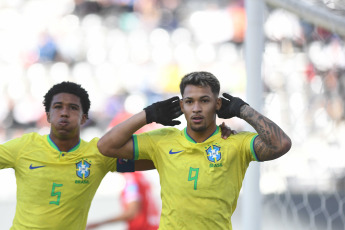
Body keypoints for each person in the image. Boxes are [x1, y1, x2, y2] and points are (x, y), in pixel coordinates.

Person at [98, 71, 292, 229]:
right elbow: (105, 146)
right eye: (190, 101)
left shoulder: (235, 143)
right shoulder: (163, 141)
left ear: (218, 104)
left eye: (205, 101)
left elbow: (281, 144)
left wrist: (242, 109)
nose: (196, 108)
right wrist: (148, 115)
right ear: (182, 106)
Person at [0, 81, 154, 230]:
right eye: (58, 107)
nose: (65, 113)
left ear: (84, 118)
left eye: (73, 108)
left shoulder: (100, 154)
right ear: (47, 116)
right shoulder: (24, 147)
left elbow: (157, 160)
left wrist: (148, 115)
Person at [86, 171, 160, 230]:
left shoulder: (131, 181)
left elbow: (132, 212)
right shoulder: (140, 176)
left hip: (142, 228)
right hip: (154, 226)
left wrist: (99, 223)